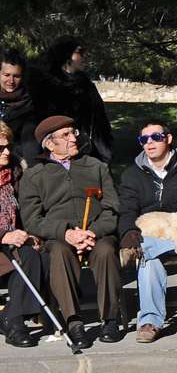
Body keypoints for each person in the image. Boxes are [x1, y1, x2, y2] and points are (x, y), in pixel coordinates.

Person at [17, 115, 122, 348]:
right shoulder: (35, 175)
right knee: (60, 254)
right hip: (59, 238)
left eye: (73, 132)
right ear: (49, 144)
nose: (73, 138)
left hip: (96, 234)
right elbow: (32, 220)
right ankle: (74, 322)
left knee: (106, 251)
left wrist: (91, 232)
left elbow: (113, 208)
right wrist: (65, 233)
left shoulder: (96, 167)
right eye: (65, 135)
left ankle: (110, 319)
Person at [118, 121, 177, 344]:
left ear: (168, 139)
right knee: (148, 260)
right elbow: (127, 209)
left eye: (155, 137)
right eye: (144, 139)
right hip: (155, 233)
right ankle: (149, 322)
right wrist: (129, 230)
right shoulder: (132, 175)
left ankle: (145, 249)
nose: (149, 143)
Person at [0, 121, 48, 347]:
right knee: (25, 258)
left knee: (40, 256)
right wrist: (3, 235)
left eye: (8, 146)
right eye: (0, 148)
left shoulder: (16, 175)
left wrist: (32, 234)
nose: (7, 152)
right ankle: (15, 322)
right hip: (3, 243)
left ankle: (11, 316)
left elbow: (28, 212)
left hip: (13, 243)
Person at [31, 36, 114, 165]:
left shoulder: (87, 86)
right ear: (66, 55)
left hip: (92, 158)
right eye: (79, 52)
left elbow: (101, 122)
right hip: (57, 161)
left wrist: (106, 151)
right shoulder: (46, 87)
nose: (84, 56)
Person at [0, 49, 38, 159]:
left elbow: (29, 143)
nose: (11, 81)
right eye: (6, 75)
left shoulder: (27, 105)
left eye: (16, 76)